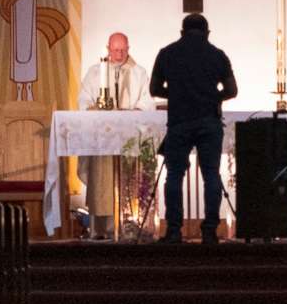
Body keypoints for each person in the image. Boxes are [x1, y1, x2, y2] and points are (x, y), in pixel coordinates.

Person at [148, 13, 237, 243]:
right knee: (211, 174)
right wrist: (211, 96)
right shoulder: (217, 55)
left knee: (174, 175)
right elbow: (232, 90)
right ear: (207, 33)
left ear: (181, 33)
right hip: (209, 121)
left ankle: (174, 230)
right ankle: (209, 231)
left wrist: (178, 94)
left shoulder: (167, 53)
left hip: (179, 122)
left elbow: (155, 88)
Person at [76, 32, 147, 236]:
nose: (119, 53)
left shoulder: (138, 73)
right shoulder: (95, 73)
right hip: (102, 140)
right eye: (115, 50)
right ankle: (101, 228)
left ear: (128, 48)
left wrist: (132, 113)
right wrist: (96, 111)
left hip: (129, 139)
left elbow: (146, 101)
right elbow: (83, 101)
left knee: (130, 182)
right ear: (108, 49)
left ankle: (130, 227)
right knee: (102, 182)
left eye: (123, 49)